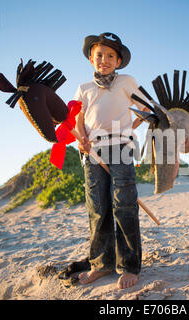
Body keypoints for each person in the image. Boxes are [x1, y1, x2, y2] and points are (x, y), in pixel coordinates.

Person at [73, 32, 151, 289]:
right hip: (92, 151)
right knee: (98, 207)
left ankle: (129, 265)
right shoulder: (84, 89)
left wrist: (131, 126)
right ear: (90, 58)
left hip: (120, 147)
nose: (104, 60)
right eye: (99, 55)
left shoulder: (126, 81)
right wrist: (81, 139)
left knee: (124, 205)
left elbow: (147, 108)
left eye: (110, 56)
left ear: (118, 61)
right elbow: (78, 119)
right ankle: (101, 263)